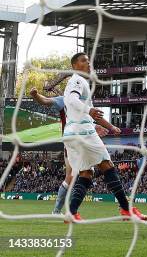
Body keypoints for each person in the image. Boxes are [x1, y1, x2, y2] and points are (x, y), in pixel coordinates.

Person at [63, 52, 147, 222]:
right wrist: (89, 111)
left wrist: (110, 126)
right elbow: (73, 100)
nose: (88, 63)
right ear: (74, 66)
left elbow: (92, 113)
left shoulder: (80, 84)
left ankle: (71, 213)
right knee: (107, 165)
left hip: (70, 134)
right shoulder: (78, 80)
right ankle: (126, 209)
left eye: (88, 61)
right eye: (83, 61)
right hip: (83, 132)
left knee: (86, 173)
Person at [29, 85, 110, 215]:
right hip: (72, 143)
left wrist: (99, 127)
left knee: (82, 175)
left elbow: (86, 122)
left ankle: (65, 211)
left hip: (85, 142)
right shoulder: (64, 100)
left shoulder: (85, 104)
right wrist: (35, 95)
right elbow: (45, 101)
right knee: (74, 176)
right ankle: (65, 211)